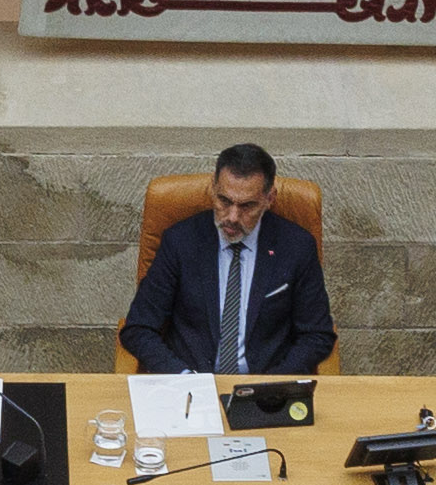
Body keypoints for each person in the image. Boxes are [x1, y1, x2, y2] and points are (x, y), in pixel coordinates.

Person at [120, 146, 332, 378]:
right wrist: (182, 376)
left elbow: (317, 335)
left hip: (266, 392)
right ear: (213, 189)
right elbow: (139, 328)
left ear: (269, 198)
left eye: (247, 206)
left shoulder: (296, 246)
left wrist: (275, 383)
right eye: (224, 201)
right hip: (191, 388)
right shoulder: (180, 241)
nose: (232, 216)